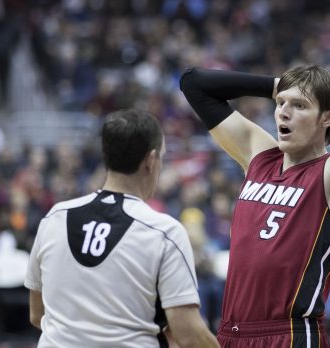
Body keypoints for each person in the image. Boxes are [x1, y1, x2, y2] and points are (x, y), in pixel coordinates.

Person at [180, 64, 330, 347]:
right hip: (232, 333)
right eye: (280, 104)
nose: (284, 112)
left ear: (327, 117)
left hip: (290, 334)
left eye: (299, 105)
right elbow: (194, 83)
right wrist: (284, 85)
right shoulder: (259, 156)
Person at [24, 109, 220, 348]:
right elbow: (188, 335)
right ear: (151, 161)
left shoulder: (55, 217)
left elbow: (37, 314)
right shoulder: (163, 231)